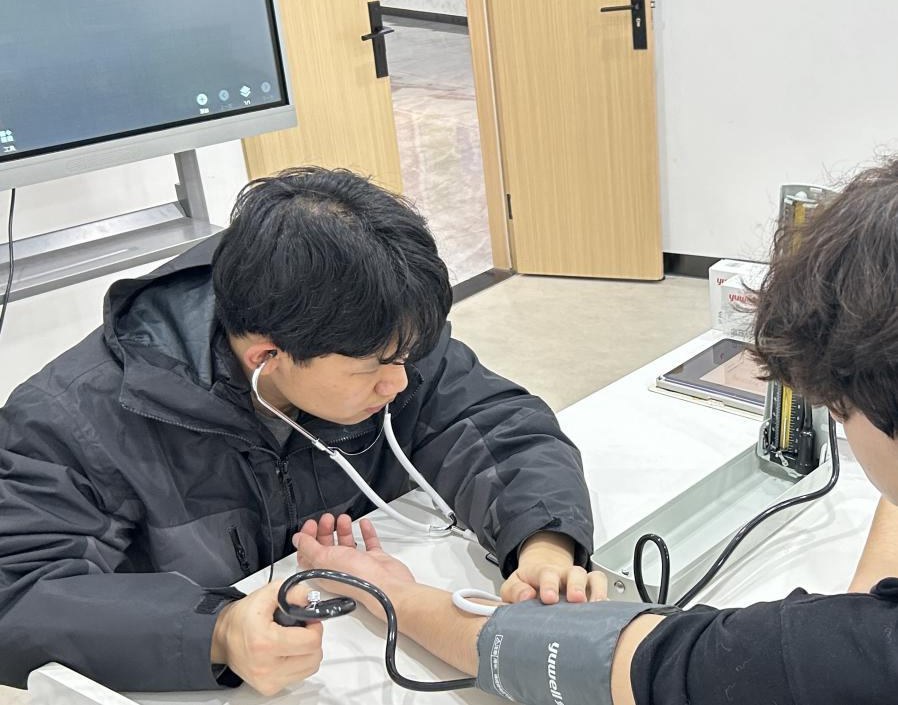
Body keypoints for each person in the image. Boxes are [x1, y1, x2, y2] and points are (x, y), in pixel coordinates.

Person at [294, 139, 898, 704]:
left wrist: (391, 591)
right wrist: (870, 615)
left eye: (845, 411)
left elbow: (585, 657)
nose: (841, 423)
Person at [0, 167, 604, 695]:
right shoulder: (70, 420)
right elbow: (17, 598)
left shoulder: (380, 330)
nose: (399, 382)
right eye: (374, 368)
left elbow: (496, 423)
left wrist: (544, 544)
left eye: (407, 357)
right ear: (268, 358)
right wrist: (217, 632)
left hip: (362, 654)